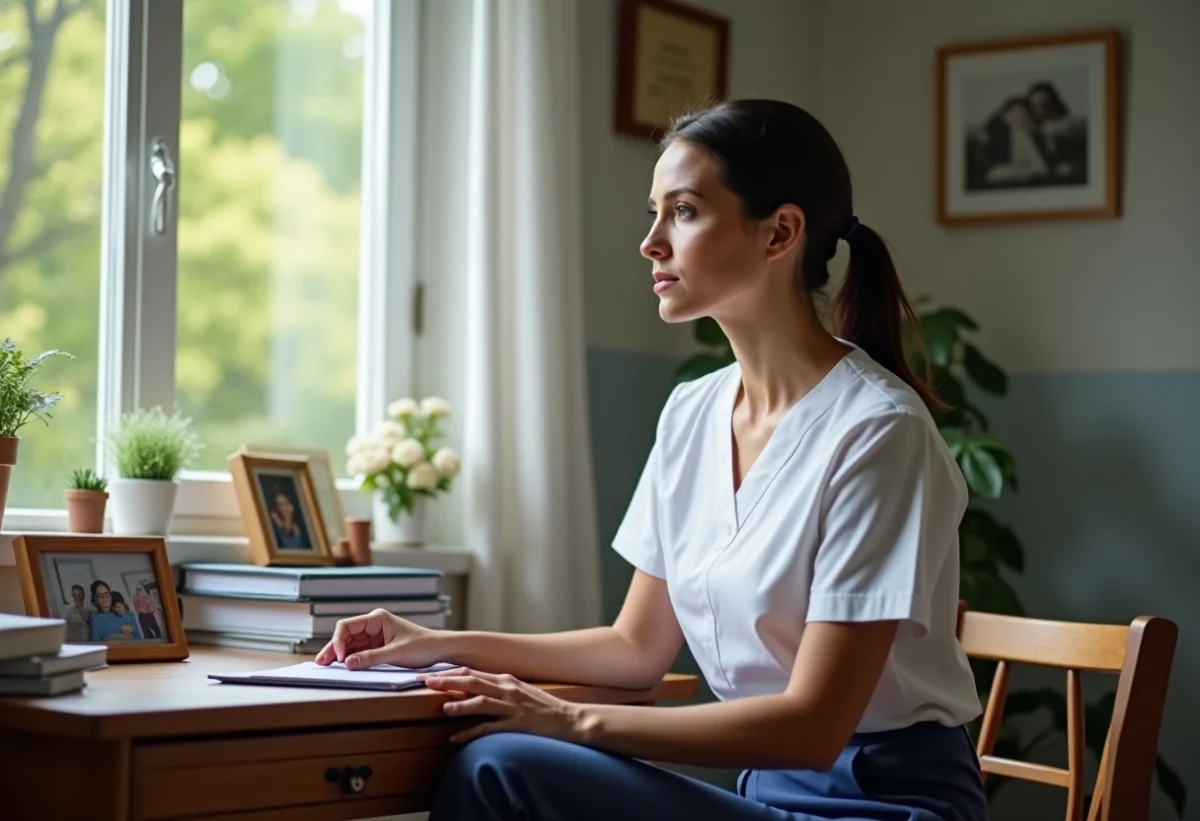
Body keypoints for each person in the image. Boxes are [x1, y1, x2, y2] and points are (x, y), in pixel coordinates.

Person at [316, 99, 987, 821]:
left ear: (780, 232)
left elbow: (813, 725)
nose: (651, 243)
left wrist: (567, 719)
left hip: (881, 806)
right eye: (654, 213)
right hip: (766, 795)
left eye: (684, 212)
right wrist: (438, 645)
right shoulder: (692, 412)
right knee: (494, 757)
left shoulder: (879, 432)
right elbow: (635, 647)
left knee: (502, 767)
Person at [268, 484, 311, 550]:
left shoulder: (303, 524)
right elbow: (287, 533)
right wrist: (282, 519)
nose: (284, 507)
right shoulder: (276, 529)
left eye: (285, 503)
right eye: (280, 504)